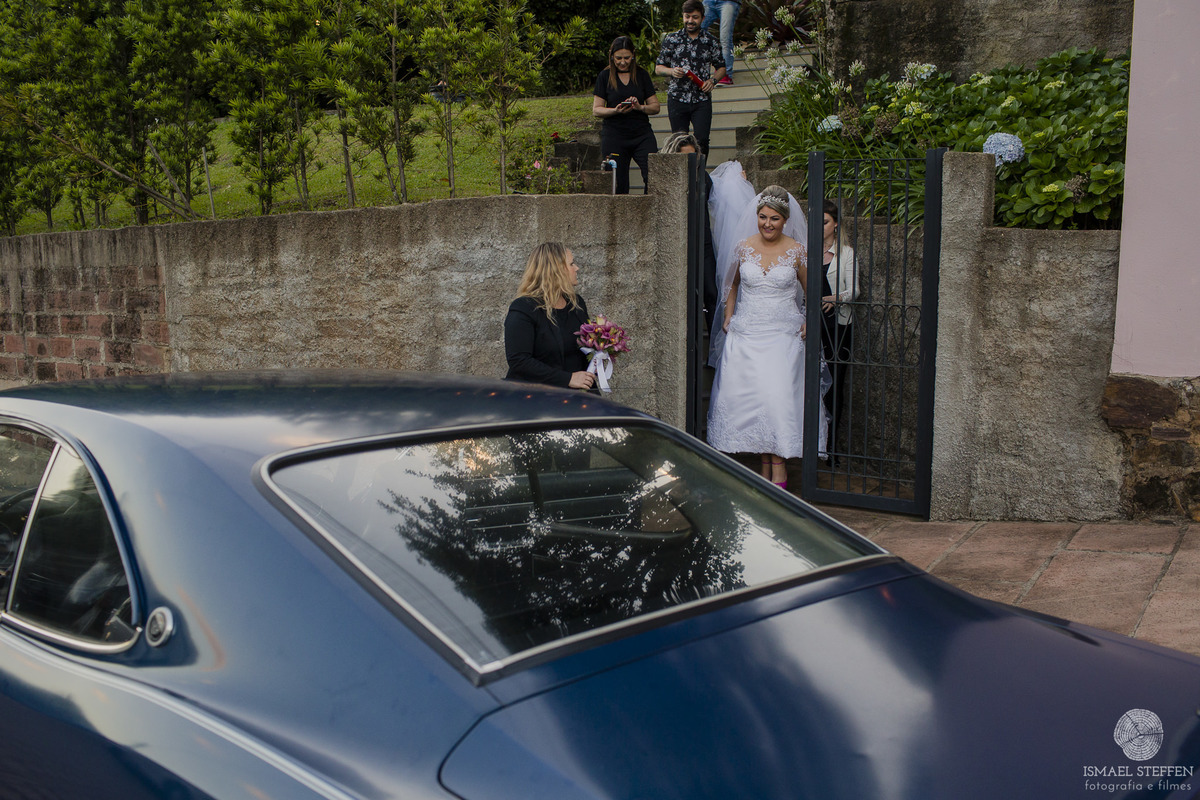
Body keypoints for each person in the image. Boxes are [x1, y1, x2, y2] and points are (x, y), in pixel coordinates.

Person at [706, 185, 828, 488]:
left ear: (785, 220)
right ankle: (765, 466)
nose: (767, 224)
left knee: (776, 400)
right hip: (746, 335)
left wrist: (808, 321)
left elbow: (812, 291)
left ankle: (779, 467)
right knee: (753, 401)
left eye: (774, 218)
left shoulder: (797, 251)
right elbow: (732, 284)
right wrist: (728, 315)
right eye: (763, 217)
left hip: (783, 336)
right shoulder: (743, 247)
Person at [504, 242, 597, 391]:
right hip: (537, 396)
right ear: (556, 270)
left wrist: (601, 351)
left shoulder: (576, 304)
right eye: (571, 264)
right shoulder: (524, 308)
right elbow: (519, 361)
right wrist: (568, 379)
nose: (576, 268)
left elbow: (581, 350)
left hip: (577, 395)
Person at [660, 131, 719, 330]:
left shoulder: (704, 178)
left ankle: (714, 347)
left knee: (712, 294)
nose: (689, 162)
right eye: (683, 158)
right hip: (675, 247)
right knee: (684, 300)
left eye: (692, 157)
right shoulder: (662, 181)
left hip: (703, 245)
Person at [655, 0, 725, 156]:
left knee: (702, 140)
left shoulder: (711, 41)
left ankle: (699, 171)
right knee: (679, 141)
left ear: (702, 18)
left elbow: (721, 67)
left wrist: (712, 81)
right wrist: (672, 71)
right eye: (687, 16)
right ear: (683, 16)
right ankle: (682, 172)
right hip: (677, 97)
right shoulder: (672, 39)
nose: (690, 21)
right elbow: (658, 68)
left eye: (695, 17)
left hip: (701, 99)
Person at [592, 36, 661, 195]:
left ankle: (649, 207)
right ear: (612, 56)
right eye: (618, 58)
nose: (623, 62)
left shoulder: (642, 75)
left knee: (653, 176)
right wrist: (615, 110)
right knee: (618, 183)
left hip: (641, 134)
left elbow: (655, 107)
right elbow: (597, 110)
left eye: (627, 58)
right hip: (614, 135)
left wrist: (640, 107)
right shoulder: (605, 76)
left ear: (633, 55)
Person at [818, 199, 859, 455]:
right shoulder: (806, 252)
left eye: (824, 222)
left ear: (835, 225)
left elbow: (855, 289)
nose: (820, 227)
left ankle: (831, 446)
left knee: (834, 384)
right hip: (811, 324)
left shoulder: (847, 253)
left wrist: (836, 298)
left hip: (838, 326)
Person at [701, 0, 741, 85]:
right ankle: (694, 69)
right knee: (696, 31)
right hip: (709, 1)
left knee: (725, 39)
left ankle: (725, 74)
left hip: (729, 2)